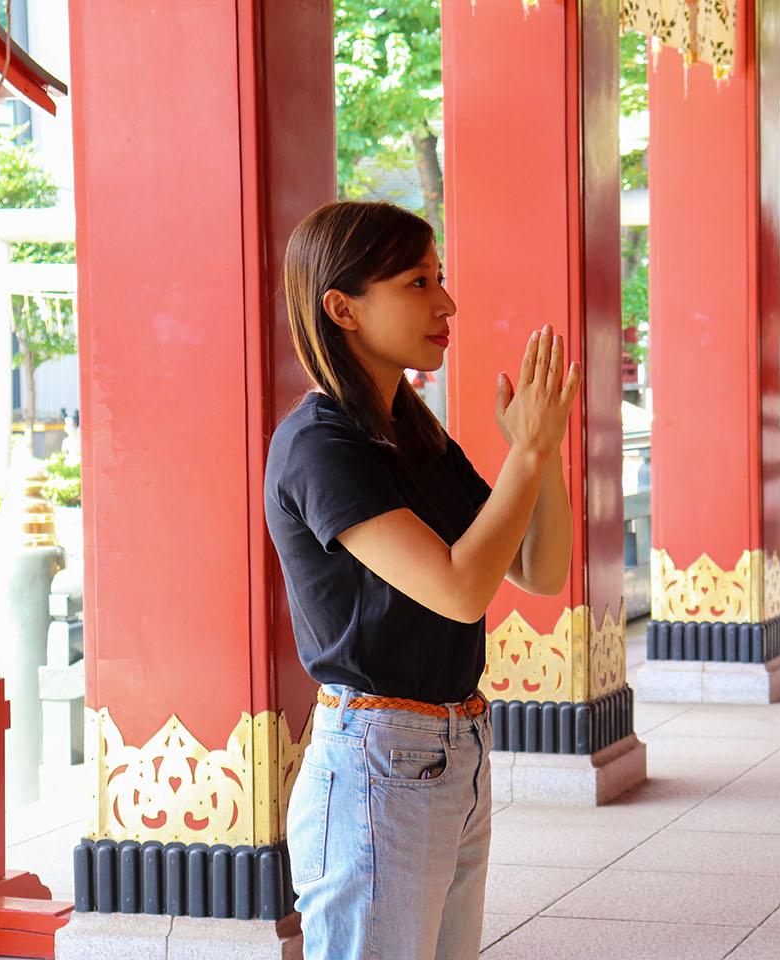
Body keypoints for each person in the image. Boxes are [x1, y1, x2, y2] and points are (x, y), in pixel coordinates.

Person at [264, 201, 578, 960]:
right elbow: (459, 589)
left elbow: (540, 570)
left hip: (456, 744)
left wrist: (542, 450)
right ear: (342, 307)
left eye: (439, 278)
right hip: (378, 754)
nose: (446, 303)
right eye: (417, 282)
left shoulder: (414, 433)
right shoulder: (320, 444)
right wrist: (525, 458)